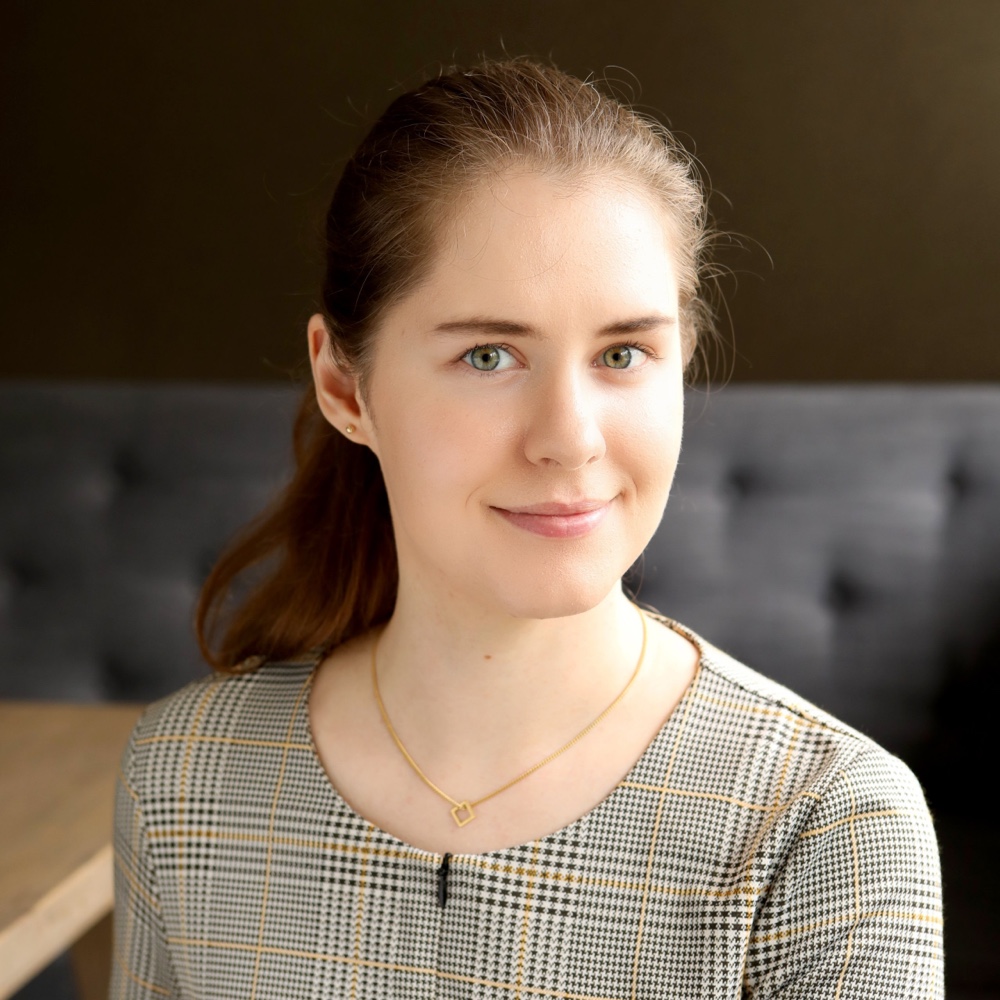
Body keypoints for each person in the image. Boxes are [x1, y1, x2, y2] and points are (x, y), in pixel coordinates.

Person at [110, 58, 943, 998]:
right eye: (489, 355)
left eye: (623, 353)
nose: (569, 439)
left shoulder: (826, 823)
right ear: (346, 385)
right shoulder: (180, 782)